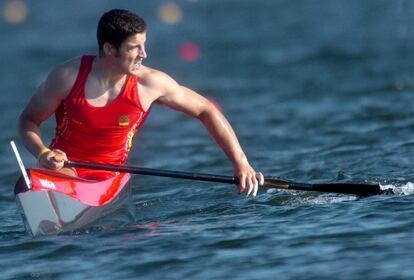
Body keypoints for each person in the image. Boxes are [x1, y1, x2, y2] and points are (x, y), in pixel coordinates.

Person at [18, 9, 264, 197]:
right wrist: (44, 153)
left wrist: (241, 164)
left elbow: (206, 109)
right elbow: (28, 121)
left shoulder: (151, 84)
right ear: (109, 49)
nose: (144, 54)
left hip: (111, 179)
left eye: (143, 45)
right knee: (40, 182)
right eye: (134, 48)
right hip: (64, 168)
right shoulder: (67, 76)